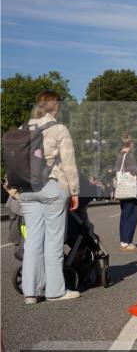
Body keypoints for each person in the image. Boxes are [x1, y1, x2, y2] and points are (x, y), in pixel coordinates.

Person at [19, 91, 81, 304]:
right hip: (51, 187)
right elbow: (68, 163)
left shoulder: (24, 128)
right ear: (57, 107)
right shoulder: (58, 129)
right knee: (53, 242)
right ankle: (55, 291)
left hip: (26, 190)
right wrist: (74, 191)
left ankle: (30, 292)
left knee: (33, 242)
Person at [114, 134, 137, 251]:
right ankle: (128, 242)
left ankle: (123, 241)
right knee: (131, 215)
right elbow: (135, 172)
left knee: (124, 215)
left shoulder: (119, 156)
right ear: (130, 144)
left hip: (122, 189)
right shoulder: (129, 156)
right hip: (130, 189)